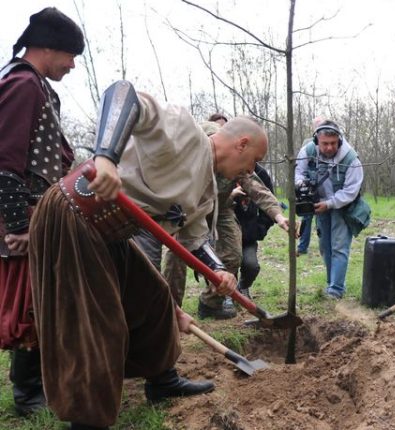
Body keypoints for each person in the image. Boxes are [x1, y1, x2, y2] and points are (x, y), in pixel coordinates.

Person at [29, 81, 266, 429]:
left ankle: (162, 380)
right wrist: (106, 157)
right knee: (98, 323)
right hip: (75, 215)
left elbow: (194, 239)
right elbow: (123, 94)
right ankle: (86, 421)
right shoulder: (183, 130)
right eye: (253, 161)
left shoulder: (206, 191)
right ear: (240, 144)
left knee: (155, 297)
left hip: (114, 232)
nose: (251, 171)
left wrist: (220, 274)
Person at [0, 7, 83, 417]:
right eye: (70, 55)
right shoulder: (21, 84)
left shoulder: (35, 85)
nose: (71, 65)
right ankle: (28, 395)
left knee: (45, 299)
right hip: (24, 217)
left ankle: (38, 386)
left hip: (41, 215)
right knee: (32, 305)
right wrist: (18, 225)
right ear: (48, 47)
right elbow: (5, 161)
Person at [158, 119, 288, 318]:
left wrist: (279, 216)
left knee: (233, 254)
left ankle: (211, 302)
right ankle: (171, 311)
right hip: (187, 207)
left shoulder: (240, 162)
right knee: (176, 254)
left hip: (221, 207)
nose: (252, 167)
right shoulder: (199, 144)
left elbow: (258, 189)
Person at [294, 120, 365, 299]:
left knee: (339, 246)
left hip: (342, 206)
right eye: (325, 143)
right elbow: (298, 173)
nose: (329, 147)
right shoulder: (308, 152)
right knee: (325, 246)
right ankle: (330, 283)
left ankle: (336, 290)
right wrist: (302, 185)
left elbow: (351, 191)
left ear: (339, 140)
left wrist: (331, 203)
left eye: (333, 143)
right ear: (317, 140)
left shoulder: (351, 159)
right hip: (319, 204)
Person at [234, 163, 278, 295]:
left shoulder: (260, 173)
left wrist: (260, 228)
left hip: (248, 235)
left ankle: (243, 286)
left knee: (251, 266)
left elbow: (269, 202)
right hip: (224, 233)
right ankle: (226, 296)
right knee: (226, 265)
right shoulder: (225, 169)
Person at [297, 116, 327, 256]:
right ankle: (302, 247)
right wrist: (303, 184)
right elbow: (300, 168)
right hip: (308, 189)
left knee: (323, 219)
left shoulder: (329, 144)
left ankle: (324, 247)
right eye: (317, 126)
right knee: (306, 217)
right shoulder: (307, 145)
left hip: (324, 188)